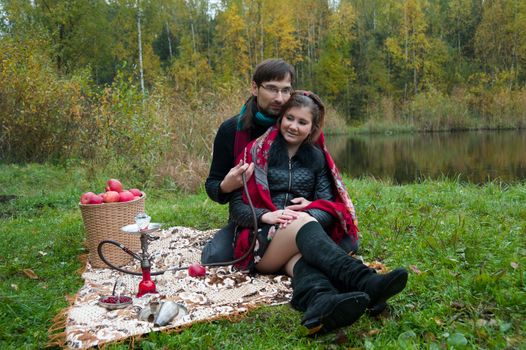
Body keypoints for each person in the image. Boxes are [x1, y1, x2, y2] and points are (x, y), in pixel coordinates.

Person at [229, 91, 408, 335]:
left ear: (313, 127)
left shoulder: (317, 159)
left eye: (302, 122)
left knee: (302, 261)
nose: (293, 126)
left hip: (296, 243)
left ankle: (320, 303)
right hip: (261, 243)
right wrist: (265, 216)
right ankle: (364, 280)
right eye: (289, 118)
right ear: (281, 118)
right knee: (303, 220)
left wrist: (312, 208)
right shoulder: (255, 152)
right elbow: (237, 207)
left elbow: (330, 208)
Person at [202, 58, 356, 264]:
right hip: (253, 216)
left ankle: (293, 254)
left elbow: (323, 185)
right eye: (272, 89)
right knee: (215, 257)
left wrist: (311, 210)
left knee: (348, 243)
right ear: (255, 88)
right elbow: (213, 185)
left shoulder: (297, 123)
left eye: (286, 90)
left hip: (300, 217)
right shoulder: (232, 130)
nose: (280, 98)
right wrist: (225, 186)